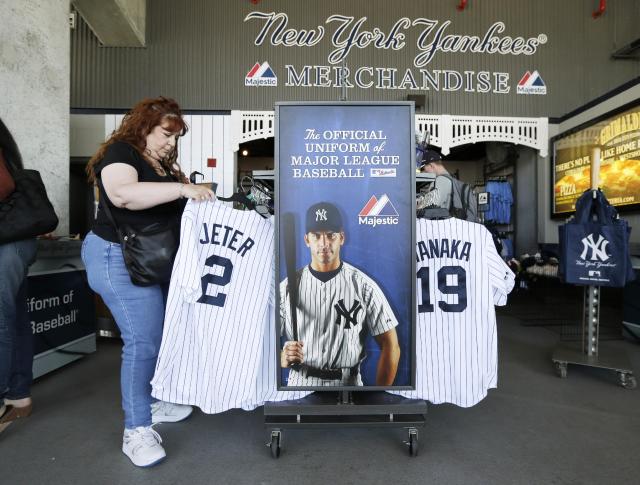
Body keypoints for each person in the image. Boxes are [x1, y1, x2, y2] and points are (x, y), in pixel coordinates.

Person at [81, 97, 215, 467]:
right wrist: (181, 190)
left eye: (176, 137)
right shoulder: (122, 152)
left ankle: (153, 401)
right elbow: (123, 195)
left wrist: (183, 188)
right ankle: (136, 430)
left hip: (150, 261)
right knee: (143, 340)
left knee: (158, 335)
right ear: (143, 127)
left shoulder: (165, 164)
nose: (172, 142)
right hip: (116, 257)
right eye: (165, 134)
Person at [280, 202, 401, 387]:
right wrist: (282, 356)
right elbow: (260, 343)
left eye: (331, 235)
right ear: (306, 240)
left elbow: (391, 345)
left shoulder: (363, 286)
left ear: (341, 238)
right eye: (316, 236)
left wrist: (379, 395)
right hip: (299, 385)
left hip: (348, 385)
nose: (324, 243)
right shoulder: (287, 287)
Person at [0, 118, 39, 434]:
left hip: (7, 244)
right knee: (14, 317)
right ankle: (19, 395)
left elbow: (3, 186)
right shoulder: (7, 145)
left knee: (2, 319)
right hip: (16, 241)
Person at [418, 149, 479, 222]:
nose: (423, 172)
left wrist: (418, 205)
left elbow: (429, 208)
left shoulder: (441, 180)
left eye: (423, 169)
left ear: (431, 166)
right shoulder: (452, 180)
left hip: (443, 228)